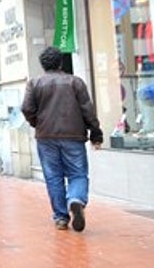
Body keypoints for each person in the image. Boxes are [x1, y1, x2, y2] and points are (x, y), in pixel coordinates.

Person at [21, 46, 103, 233]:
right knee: (78, 174)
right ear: (60, 62)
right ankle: (76, 199)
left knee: (53, 177)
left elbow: (26, 108)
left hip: (46, 137)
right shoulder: (76, 82)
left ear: (43, 65)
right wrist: (96, 133)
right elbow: (88, 111)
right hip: (73, 136)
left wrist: (37, 122)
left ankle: (61, 218)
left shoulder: (34, 83)